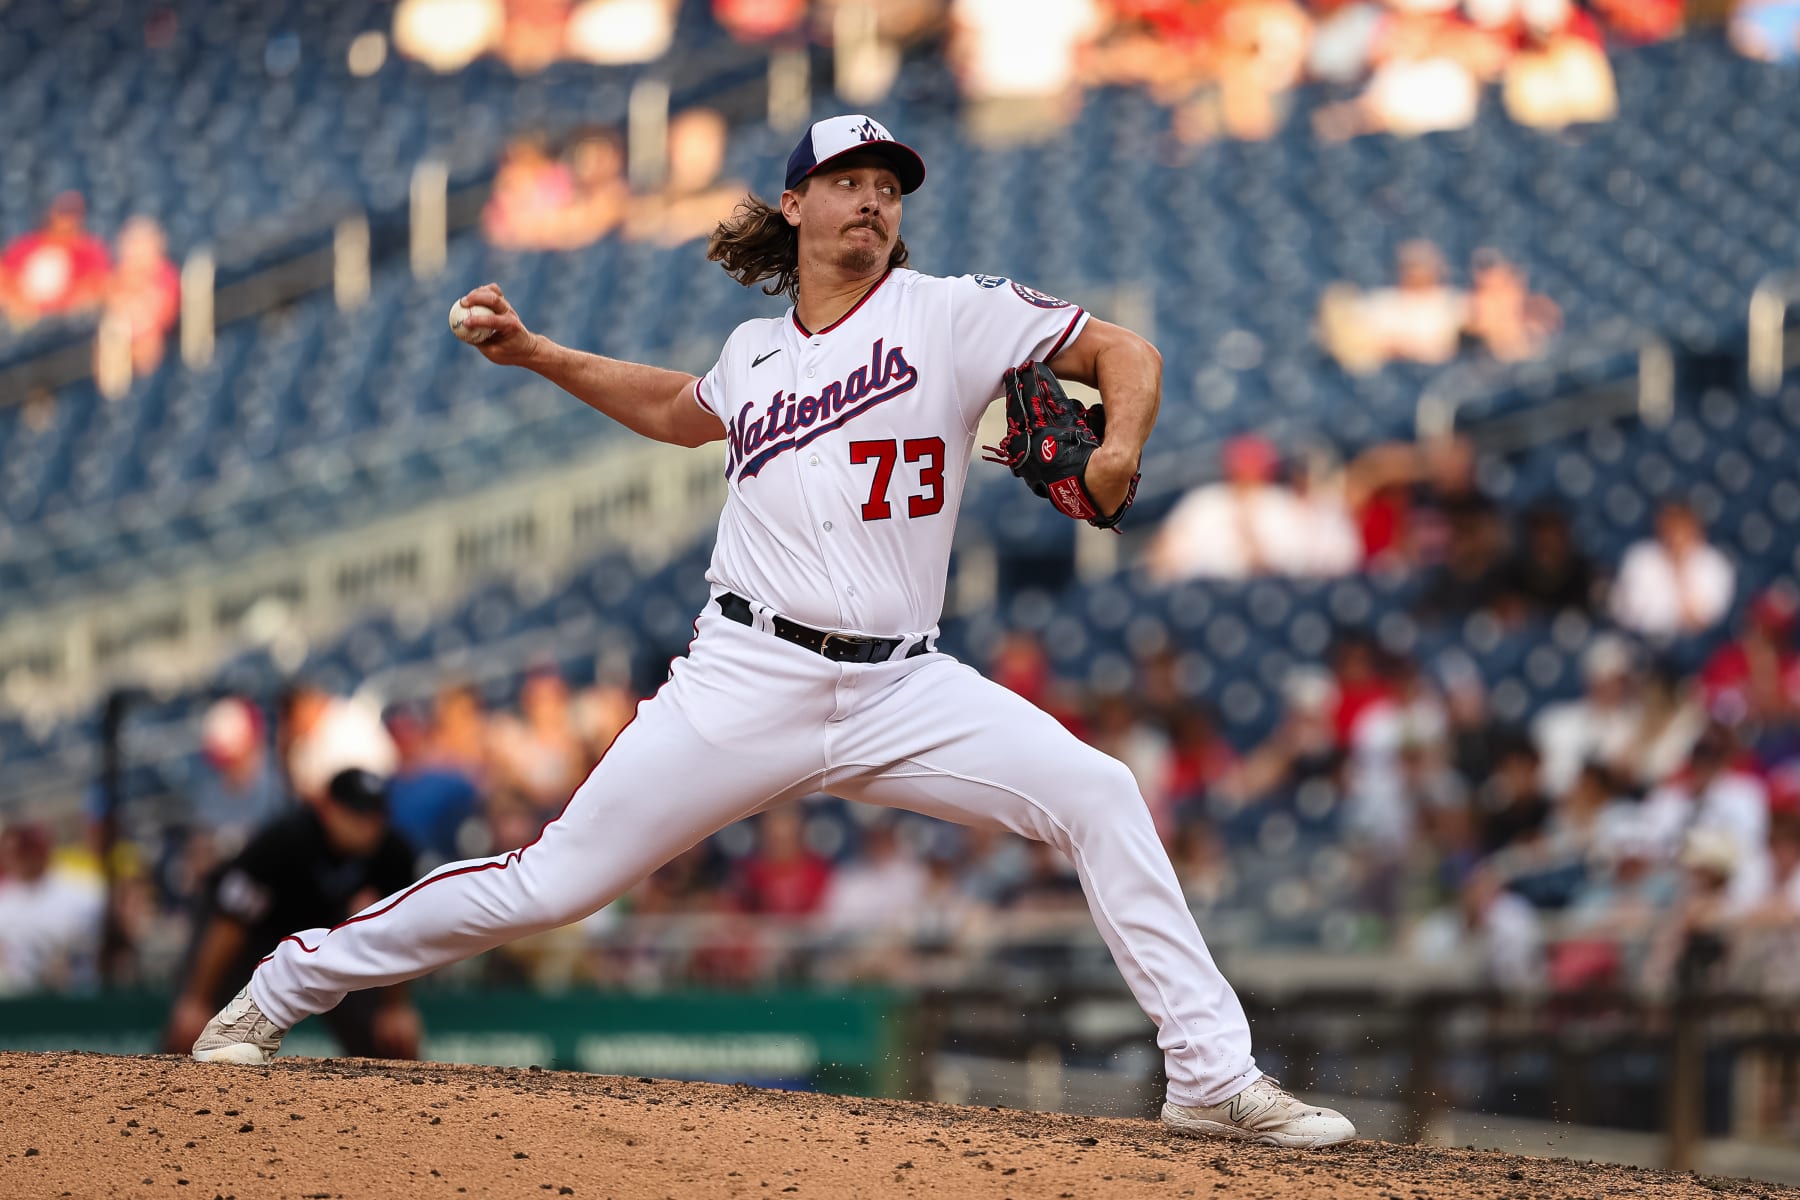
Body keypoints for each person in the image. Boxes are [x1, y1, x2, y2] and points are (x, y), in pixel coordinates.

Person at [193, 112, 1353, 1148]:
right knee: (551, 885)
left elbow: (1125, 354)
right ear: (795, 204)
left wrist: (1117, 448)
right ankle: (288, 985)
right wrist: (541, 353)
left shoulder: (952, 313)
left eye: (889, 185)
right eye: (847, 179)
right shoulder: (754, 356)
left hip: (905, 686)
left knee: (1099, 792)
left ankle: (1213, 1077)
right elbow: (671, 407)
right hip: (747, 674)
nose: (872, 199)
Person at [165, 769, 424, 1057]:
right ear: (328, 809)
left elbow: (398, 931)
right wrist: (198, 1000)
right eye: (357, 814)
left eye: (376, 816)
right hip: (255, 939)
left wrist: (395, 1008)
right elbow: (230, 922)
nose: (368, 826)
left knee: (391, 1036)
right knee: (198, 1030)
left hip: (327, 942)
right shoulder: (285, 840)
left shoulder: (393, 853)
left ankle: (401, 1101)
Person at [1610, 500, 1736, 640]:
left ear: (1695, 529)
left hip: (1692, 644)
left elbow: (1699, 621)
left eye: (1681, 528)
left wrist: (1680, 571)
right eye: (1671, 527)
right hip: (1641, 639)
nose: (1675, 536)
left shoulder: (1714, 564)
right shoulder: (1641, 556)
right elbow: (1629, 614)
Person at [0, 192, 112, 327]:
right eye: (63, 211)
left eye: (72, 213)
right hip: (22, 317)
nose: (66, 219)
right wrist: (17, 300)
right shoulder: (27, 245)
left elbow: (98, 285)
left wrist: (66, 305)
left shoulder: (89, 250)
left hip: (63, 325)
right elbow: (5, 276)